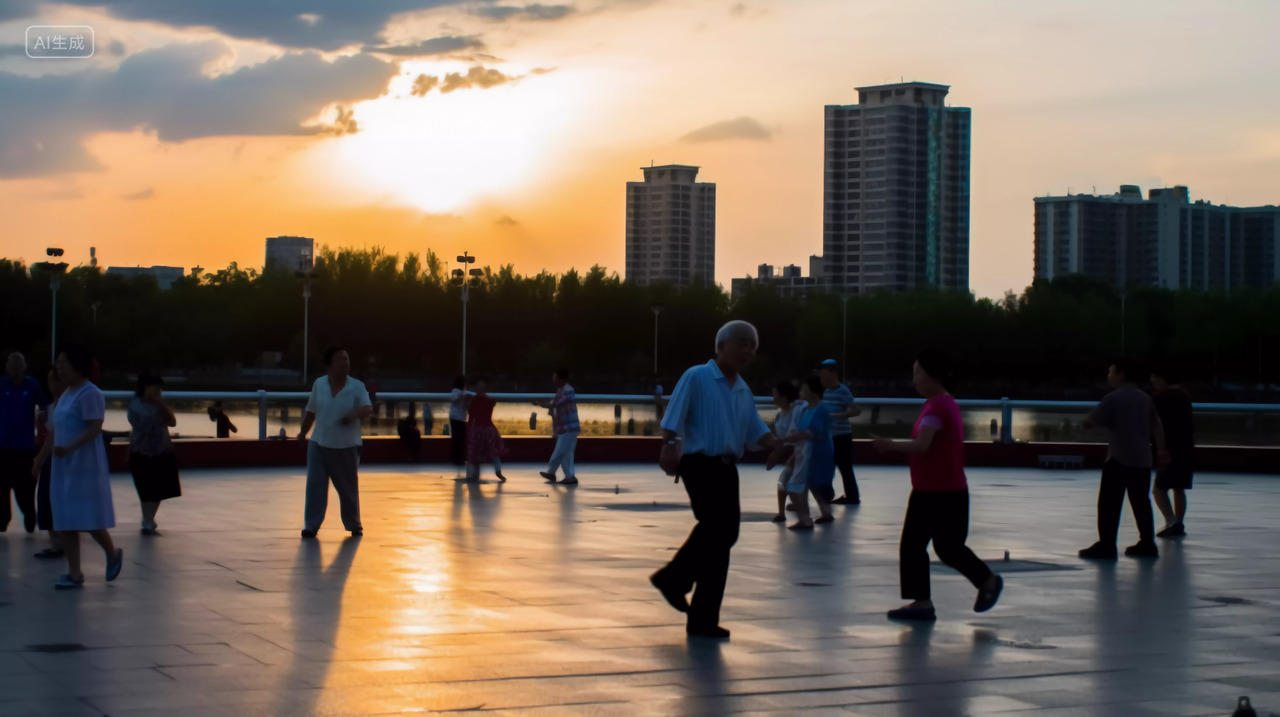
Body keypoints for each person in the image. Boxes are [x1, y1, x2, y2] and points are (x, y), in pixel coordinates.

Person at [650, 320, 780, 639]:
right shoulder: (697, 376)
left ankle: (702, 618)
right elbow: (674, 416)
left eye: (752, 345)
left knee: (722, 540)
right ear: (720, 346)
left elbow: (754, 431)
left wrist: (778, 444)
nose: (747, 350)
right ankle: (673, 580)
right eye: (741, 343)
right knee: (717, 529)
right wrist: (668, 447)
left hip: (726, 468)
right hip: (699, 464)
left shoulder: (743, 389)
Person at [871, 350, 1003, 621]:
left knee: (915, 547)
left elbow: (923, 445)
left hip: (934, 493)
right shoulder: (944, 404)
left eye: (918, 373)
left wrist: (890, 445)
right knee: (947, 547)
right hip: (947, 490)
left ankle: (925, 602)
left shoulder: (937, 407)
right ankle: (986, 583)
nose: (914, 379)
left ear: (935, 376)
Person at [36, 345, 123, 589]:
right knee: (65, 520)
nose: (59, 368)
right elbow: (55, 430)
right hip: (62, 465)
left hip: (83, 465)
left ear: (78, 366)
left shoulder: (90, 393)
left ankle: (112, 553)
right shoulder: (66, 394)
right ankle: (75, 573)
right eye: (58, 364)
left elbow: (95, 428)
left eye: (64, 363)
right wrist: (41, 459)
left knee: (87, 518)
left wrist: (70, 447)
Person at [1079, 357, 1170, 559]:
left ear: (1121, 375)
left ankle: (1107, 545)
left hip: (1118, 459)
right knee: (1141, 503)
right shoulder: (1145, 398)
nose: (1109, 376)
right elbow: (1157, 423)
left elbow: (1089, 422)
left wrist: (1084, 422)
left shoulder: (1113, 398)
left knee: (1109, 504)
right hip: (1143, 460)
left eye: (1111, 372)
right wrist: (1162, 449)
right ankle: (1148, 543)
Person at [297, 347, 373, 538]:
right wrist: (302, 433)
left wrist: (353, 415)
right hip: (318, 443)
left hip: (345, 445)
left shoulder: (356, 386)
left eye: (347, 359)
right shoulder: (319, 384)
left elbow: (367, 408)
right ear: (329, 365)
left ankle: (354, 524)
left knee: (347, 489)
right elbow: (311, 411)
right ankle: (311, 526)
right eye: (341, 360)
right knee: (315, 485)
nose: (346, 363)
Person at [127, 372, 181, 534]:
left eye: (160, 388)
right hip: (140, 450)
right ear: (145, 387)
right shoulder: (134, 404)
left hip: (162, 449)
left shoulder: (160, 405)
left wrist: (160, 404)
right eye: (155, 387)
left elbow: (172, 422)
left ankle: (149, 520)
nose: (158, 391)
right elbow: (135, 429)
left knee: (160, 488)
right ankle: (147, 521)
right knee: (145, 487)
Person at [1, 351, 49, 533]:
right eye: (11, 366)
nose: (15, 369)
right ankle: (3, 520)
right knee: (1, 487)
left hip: (24, 447)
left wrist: (45, 426)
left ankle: (30, 517)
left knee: (25, 488)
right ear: (7, 367)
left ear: (24, 367)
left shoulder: (32, 385)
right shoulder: (1, 384)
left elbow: (45, 407)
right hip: (2, 446)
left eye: (18, 366)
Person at [782, 377, 837, 529]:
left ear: (814, 393)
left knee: (795, 484)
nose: (801, 392)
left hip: (815, 454)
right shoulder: (807, 409)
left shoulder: (820, 410)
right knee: (812, 484)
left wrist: (786, 439)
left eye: (805, 390)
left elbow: (812, 432)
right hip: (808, 452)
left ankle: (805, 520)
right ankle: (825, 513)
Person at [1150, 366, 1194, 538]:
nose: (1151, 380)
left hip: (1168, 450)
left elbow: (1154, 423)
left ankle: (1171, 521)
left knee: (1158, 489)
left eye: (1153, 376)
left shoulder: (1160, 398)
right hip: (1186, 450)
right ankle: (1179, 523)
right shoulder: (1184, 395)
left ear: (1161, 378)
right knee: (1178, 488)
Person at [819, 359, 862, 505]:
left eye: (825, 373)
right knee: (825, 466)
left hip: (841, 435)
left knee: (844, 466)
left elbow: (855, 409)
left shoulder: (842, 390)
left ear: (833, 373)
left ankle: (852, 496)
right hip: (825, 436)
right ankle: (825, 495)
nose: (822, 377)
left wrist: (846, 413)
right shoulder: (819, 391)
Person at [32, 368, 65, 558]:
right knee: (46, 498)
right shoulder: (51, 407)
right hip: (51, 458)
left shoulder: (66, 406)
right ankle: (56, 542)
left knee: (55, 499)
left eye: (57, 381)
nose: (54, 386)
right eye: (51, 381)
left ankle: (61, 542)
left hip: (61, 457)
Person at [538, 368, 580, 485]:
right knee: (566, 452)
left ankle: (551, 472)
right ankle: (569, 476)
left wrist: (541, 404)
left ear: (560, 378)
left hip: (569, 427)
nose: (553, 380)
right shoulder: (563, 390)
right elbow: (555, 405)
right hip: (566, 427)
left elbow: (554, 403)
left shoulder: (567, 391)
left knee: (561, 450)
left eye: (555, 377)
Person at [766, 381, 801, 523]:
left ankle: (796, 513)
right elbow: (780, 439)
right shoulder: (779, 416)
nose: (773, 397)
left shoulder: (798, 411)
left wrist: (794, 452)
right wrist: (776, 452)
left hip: (800, 450)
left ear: (784, 397)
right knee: (789, 480)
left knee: (785, 480)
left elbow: (798, 434)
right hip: (789, 451)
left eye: (775, 395)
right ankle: (785, 512)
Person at [465, 376, 506, 482]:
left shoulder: (477, 400)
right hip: (482, 428)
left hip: (482, 428)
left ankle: (494, 471)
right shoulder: (480, 400)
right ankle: (478, 473)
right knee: (480, 452)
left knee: (484, 451)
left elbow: (471, 412)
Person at [448, 375, 473, 466]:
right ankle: (456, 459)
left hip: (460, 418)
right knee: (458, 439)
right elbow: (455, 398)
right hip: (456, 418)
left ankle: (458, 458)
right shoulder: (455, 391)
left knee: (459, 438)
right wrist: (463, 397)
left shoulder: (463, 392)